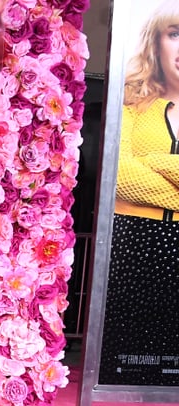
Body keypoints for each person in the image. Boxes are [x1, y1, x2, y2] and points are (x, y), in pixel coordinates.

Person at [100, 0, 179, 385]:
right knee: (123, 362)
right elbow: (120, 173)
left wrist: (153, 160)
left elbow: (137, 165)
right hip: (134, 239)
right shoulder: (132, 102)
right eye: (175, 34)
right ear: (156, 42)